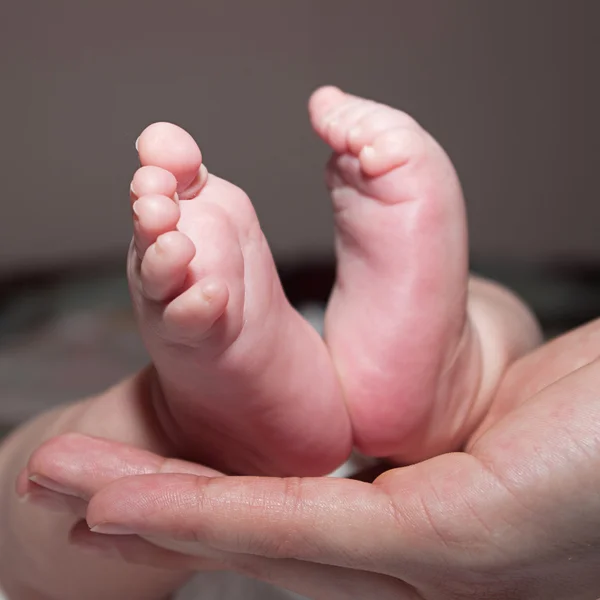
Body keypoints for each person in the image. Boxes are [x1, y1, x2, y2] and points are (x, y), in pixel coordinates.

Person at [3, 86, 593, 600]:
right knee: (507, 335)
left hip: (185, 551)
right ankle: (461, 373)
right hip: (510, 514)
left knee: (25, 509)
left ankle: (180, 424)